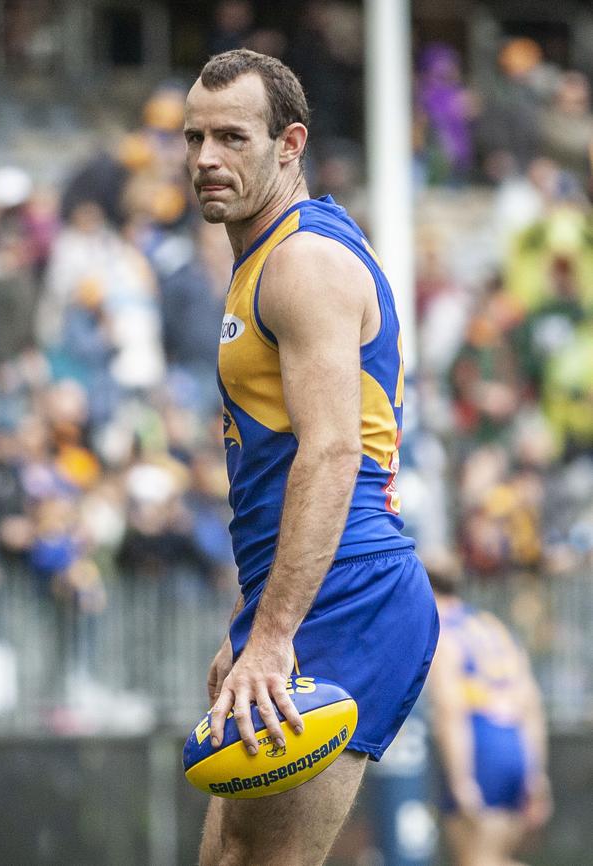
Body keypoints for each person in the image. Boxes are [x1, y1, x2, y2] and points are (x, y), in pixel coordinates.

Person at [184, 49, 439, 866]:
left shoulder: (301, 262)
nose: (206, 159)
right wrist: (254, 616)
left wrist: (273, 633)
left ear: (289, 143)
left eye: (232, 137)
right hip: (309, 592)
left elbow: (330, 457)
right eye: (194, 139)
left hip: (350, 590)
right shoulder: (262, 256)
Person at [424, 549, 552, 866]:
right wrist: (535, 771)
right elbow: (530, 703)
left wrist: (460, 779)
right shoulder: (491, 626)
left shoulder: (442, 634)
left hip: (479, 748)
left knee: (477, 859)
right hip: (514, 745)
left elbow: (450, 710)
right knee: (494, 855)